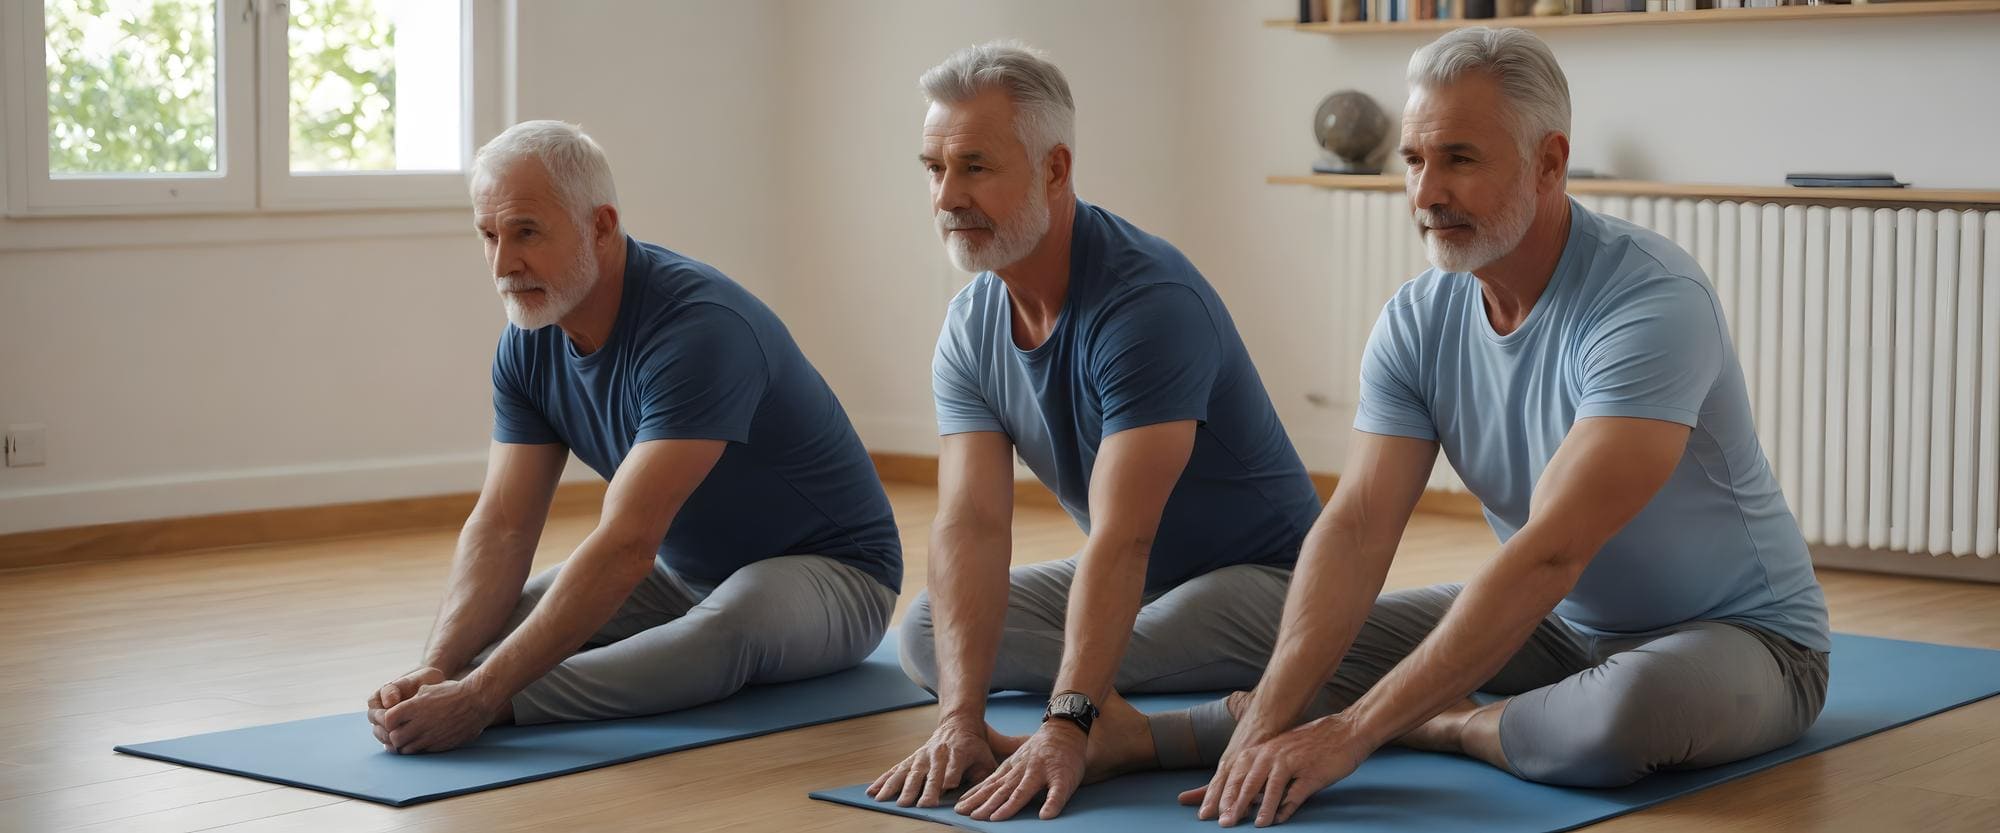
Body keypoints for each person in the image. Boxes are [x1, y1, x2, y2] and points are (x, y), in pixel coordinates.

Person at [866, 42, 1323, 822]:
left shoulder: (1147, 303)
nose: (946, 196)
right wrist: (959, 717)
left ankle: (1269, 695)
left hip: (1272, 581)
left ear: (1054, 169)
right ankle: (1222, 688)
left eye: (974, 167)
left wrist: (1065, 724)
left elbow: (1123, 538)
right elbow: (972, 522)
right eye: (933, 169)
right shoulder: (973, 323)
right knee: (927, 634)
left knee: (1095, 645)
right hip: (1149, 586)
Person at [363, 120, 903, 754]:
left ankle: (505, 704)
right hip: (683, 575)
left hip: (835, 577)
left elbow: (626, 544)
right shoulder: (530, 340)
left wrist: (484, 697)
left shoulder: (699, 329)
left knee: (728, 627)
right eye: (489, 236)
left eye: (527, 232)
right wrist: (440, 666)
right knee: (491, 633)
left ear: (600, 225)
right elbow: (504, 523)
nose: (504, 264)